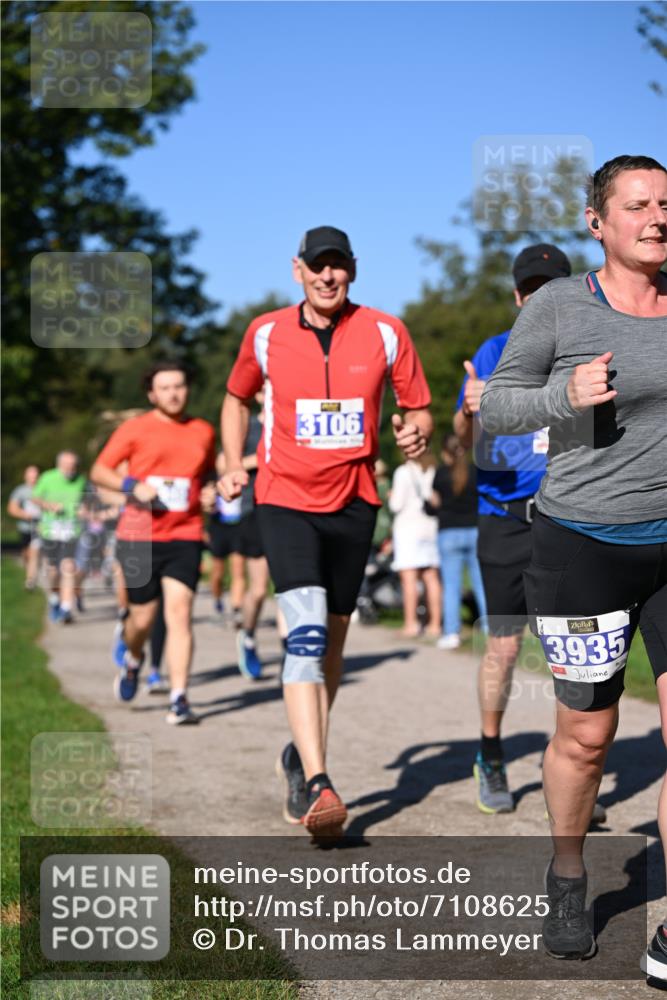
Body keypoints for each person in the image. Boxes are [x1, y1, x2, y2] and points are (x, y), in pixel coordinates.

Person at [479, 155, 667, 966]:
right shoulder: (559, 306)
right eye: (637, 205)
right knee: (587, 736)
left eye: (665, 203)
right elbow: (494, 406)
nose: (657, 217)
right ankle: (565, 872)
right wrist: (565, 398)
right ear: (598, 223)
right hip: (581, 546)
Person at [219, 225, 432, 838]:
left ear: (353, 271)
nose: (327, 276)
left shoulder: (387, 331)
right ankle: (318, 781)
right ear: (298, 270)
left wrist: (417, 432)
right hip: (284, 497)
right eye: (318, 266)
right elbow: (236, 399)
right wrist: (234, 462)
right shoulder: (264, 333)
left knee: (331, 646)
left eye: (338, 266)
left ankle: (297, 753)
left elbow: (416, 405)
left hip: (355, 503)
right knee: (305, 636)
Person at [453, 242, 572, 814]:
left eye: (552, 290)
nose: (539, 301)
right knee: (504, 646)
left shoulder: (586, 349)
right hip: (505, 520)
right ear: (517, 296)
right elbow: (462, 443)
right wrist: (469, 409)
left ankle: (570, 767)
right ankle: (491, 752)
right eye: (532, 291)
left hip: (569, 522)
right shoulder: (494, 351)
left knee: (572, 653)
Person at [91, 360, 216, 725]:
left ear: (187, 389)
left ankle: (179, 697)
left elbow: (206, 473)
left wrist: (208, 491)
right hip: (139, 533)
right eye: (165, 388)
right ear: (152, 393)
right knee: (142, 618)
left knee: (180, 612)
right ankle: (133, 659)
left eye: (179, 386)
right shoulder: (135, 428)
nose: (173, 393)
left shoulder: (203, 430)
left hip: (185, 532)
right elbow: (99, 470)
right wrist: (132, 486)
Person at [429, 433, 487, 649]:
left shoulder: (440, 474)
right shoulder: (476, 472)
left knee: (451, 585)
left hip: (448, 533)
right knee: (481, 583)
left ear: (445, 452)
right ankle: (490, 630)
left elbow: (432, 504)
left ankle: (451, 633)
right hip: (474, 530)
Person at [389, 452, 441, 638]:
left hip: (408, 528)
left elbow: (396, 505)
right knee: (431, 577)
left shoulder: (402, 472)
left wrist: (390, 496)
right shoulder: (432, 470)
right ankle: (435, 624)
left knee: (409, 579)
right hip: (430, 526)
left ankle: (411, 624)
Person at [31, 452, 86, 624]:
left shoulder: (81, 480)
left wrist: (84, 509)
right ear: (59, 465)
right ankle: (54, 597)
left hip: (71, 530)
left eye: (73, 465)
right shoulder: (48, 478)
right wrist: (49, 505)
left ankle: (66, 608)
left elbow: (86, 499)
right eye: (67, 465)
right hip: (50, 530)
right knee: (53, 570)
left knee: (68, 567)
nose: (70, 469)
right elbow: (35, 498)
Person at [7, 465, 41, 589]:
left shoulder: (44, 489)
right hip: (25, 527)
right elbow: (11, 508)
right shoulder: (20, 491)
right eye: (31, 475)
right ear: (26, 476)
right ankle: (30, 573)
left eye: (35, 475)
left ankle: (31, 579)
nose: (33, 478)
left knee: (34, 552)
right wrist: (25, 515)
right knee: (26, 554)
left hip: (39, 527)